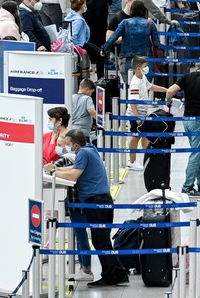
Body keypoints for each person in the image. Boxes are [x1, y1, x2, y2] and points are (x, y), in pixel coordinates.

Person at [43, 129, 129, 287]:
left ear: (75, 145)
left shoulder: (82, 153)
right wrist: (55, 168)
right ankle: (120, 272)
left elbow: (73, 175)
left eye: (68, 144)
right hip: (102, 200)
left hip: (96, 202)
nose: (66, 147)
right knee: (103, 240)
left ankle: (110, 276)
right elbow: (73, 169)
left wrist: (54, 171)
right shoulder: (91, 149)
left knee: (100, 241)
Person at [164, 59, 200, 196]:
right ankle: (187, 186)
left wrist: (169, 102)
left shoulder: (187, 77)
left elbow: (170, 91)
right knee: (197, 155)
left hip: (187, 121)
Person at [101, 0, 162, 78]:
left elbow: (113, 37)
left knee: (129, 86)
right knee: (144, 86)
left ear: (132, 10)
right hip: (145, 59)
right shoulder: (150, 23)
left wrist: (104, 48)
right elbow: (156, 43)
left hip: (127, 59)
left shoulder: (125, 22)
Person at [126, 56, 167, 170]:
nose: (147, 68)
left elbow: (150, 86)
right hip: (136, 114)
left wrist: (165, 89)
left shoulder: (142, 77)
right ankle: (132, 161)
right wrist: (137, 117)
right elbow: (133, 102)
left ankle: (148, 157)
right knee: (136, 136)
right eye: (145, 66)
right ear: (138, 68)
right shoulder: (135, 83)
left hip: (143, 113)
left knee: (144, 135)